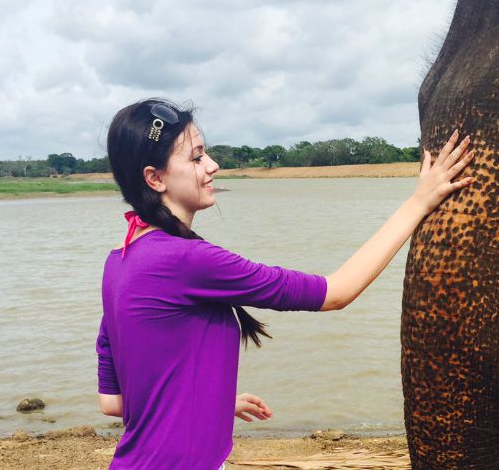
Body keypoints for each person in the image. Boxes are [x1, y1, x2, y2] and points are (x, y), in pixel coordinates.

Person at [96, 98, 474, 469]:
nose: (212, 165)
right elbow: (336, 292)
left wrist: (210, 403)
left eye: (205, 153)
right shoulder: (186, 260)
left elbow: (113, 401)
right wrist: (419, 202)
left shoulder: (121, 260)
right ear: (155, 178)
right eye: (196, 158)